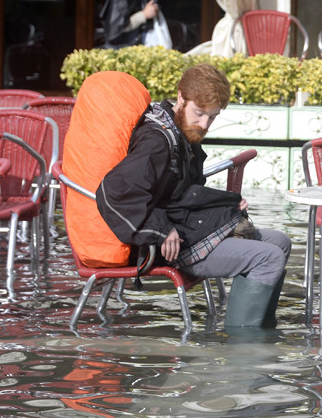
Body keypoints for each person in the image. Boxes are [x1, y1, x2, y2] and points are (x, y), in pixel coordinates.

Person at [96, 62, 291, 329]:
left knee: (281, 242)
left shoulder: (182, 131)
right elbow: (114, 191)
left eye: (212, 117)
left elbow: (184, 195)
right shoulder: (157, 141)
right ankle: (243, 341)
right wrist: (161, 230)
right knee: (268, 257)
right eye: (199, 113)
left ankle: (262, 327)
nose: (204, 124)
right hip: (167, 244)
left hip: (186, 229)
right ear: (181, 98)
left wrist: (228, 204)